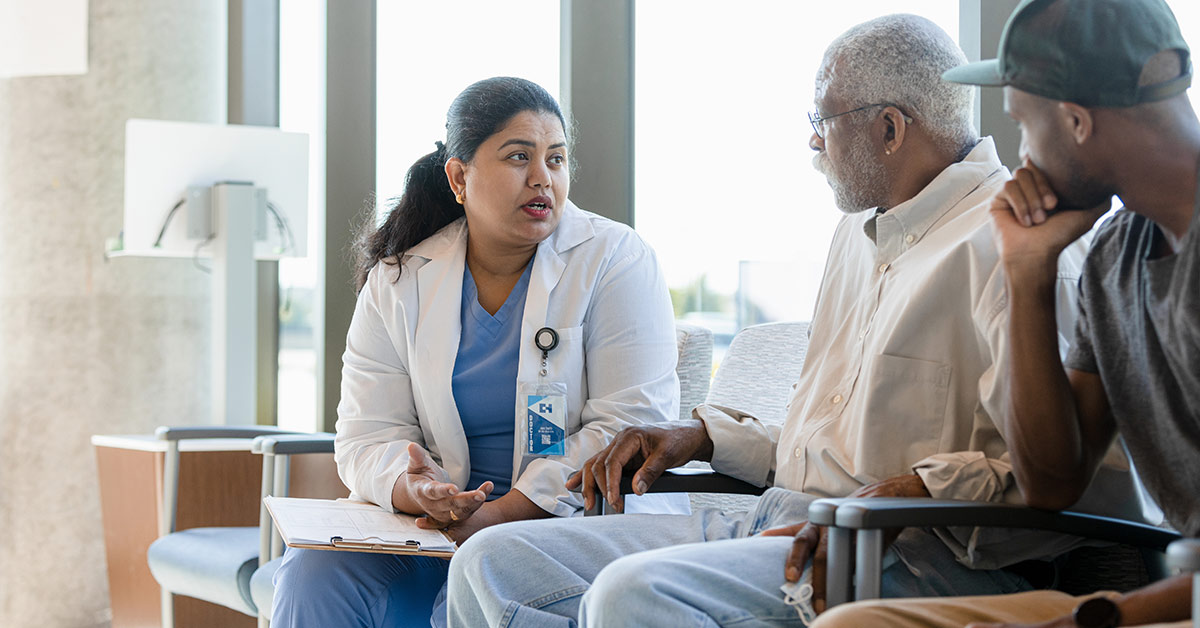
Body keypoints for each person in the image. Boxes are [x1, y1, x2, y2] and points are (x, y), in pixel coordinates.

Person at [445, 16, 1114, 628]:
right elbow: (824, 450)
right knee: (491, 561)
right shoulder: (858, 235)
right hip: (782, 517)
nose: (813, 139)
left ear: (889, 129)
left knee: (634, 595)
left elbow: (1041, 474)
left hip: (911, 552)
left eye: (823, 118)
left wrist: (896, 494)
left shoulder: (1018, 243)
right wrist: (702, 435)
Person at [810, 1, 1199, 627]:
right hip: (1165, 599)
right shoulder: (1114, 256)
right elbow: (1051, 483)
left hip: (1166, 603)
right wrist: (1027, 271)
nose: (1018, 155)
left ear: (1075, 121)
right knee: (851, 623)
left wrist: (1097, 618)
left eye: (1021, 122)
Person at [270, 76, 681, 627]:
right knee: (311, 574)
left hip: (571, 523)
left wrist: (499, 515)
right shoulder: (401, 278)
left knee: (480, 578)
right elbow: (366, 433)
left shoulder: (615, 258)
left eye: (557, 159)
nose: (543, 178)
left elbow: (631, 425)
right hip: (433, 527)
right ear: (460, 177)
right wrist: (414, 489)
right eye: (519, 157)